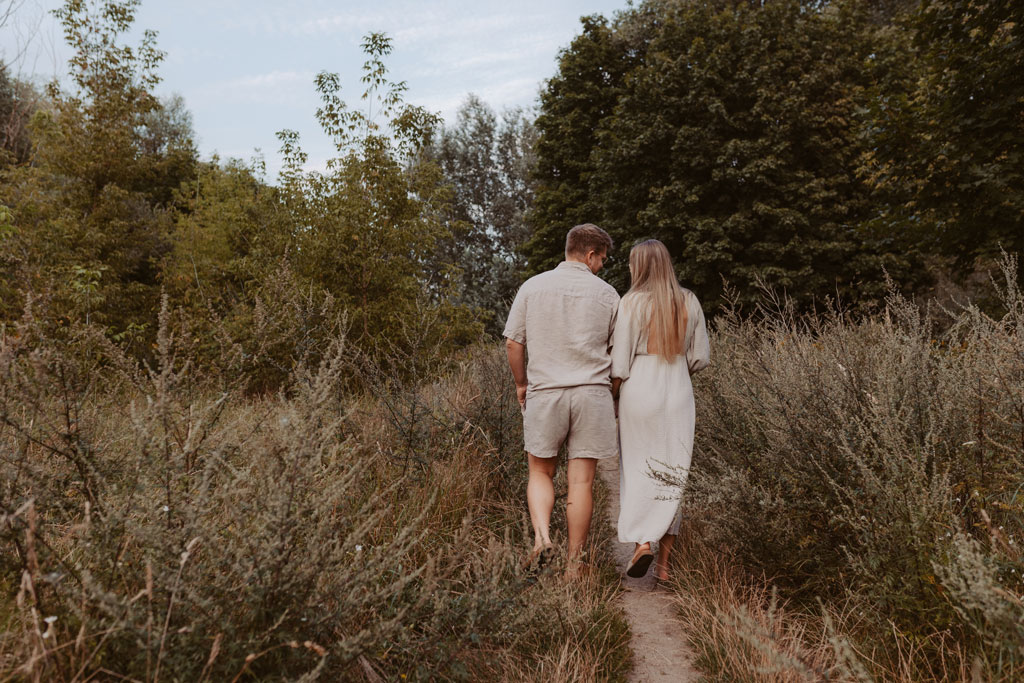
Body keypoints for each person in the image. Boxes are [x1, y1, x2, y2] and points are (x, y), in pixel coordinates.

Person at [503, 223, 620, 574]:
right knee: (581, 482)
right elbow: (619, 354)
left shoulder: (532, 287)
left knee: (540, 471)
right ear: (589, 254)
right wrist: (611, 395)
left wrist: (521, 384)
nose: (602, 265)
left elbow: (513, 342)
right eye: (602, 259)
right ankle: (575, 563)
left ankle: (541, 538)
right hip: (591, 394)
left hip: (546, 393)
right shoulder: (608, 295)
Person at [611, 239, 710, 580]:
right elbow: (700, 357)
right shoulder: (689, 301)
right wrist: (679, 368)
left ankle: (642, 544)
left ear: (639, 266)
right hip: (678, 391)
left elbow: (619, 362)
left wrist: (613, 395)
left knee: (638, 468)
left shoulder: (631, 303)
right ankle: (665, 567)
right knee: (674, 475)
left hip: (640, 389)